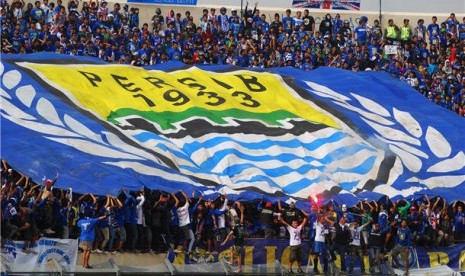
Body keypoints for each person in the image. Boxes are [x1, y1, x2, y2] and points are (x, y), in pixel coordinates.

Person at [221, 202, 246, 273]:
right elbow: (242, 218)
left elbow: (229, 235)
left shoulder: (235, 228)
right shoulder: (241, 225)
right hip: (241, 242)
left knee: (238, 256)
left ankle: (239, 269)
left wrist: (224, 242)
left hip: (238, 243)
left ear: (235, 222)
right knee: (231, 248)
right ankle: (232, 261)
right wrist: (242, 212)